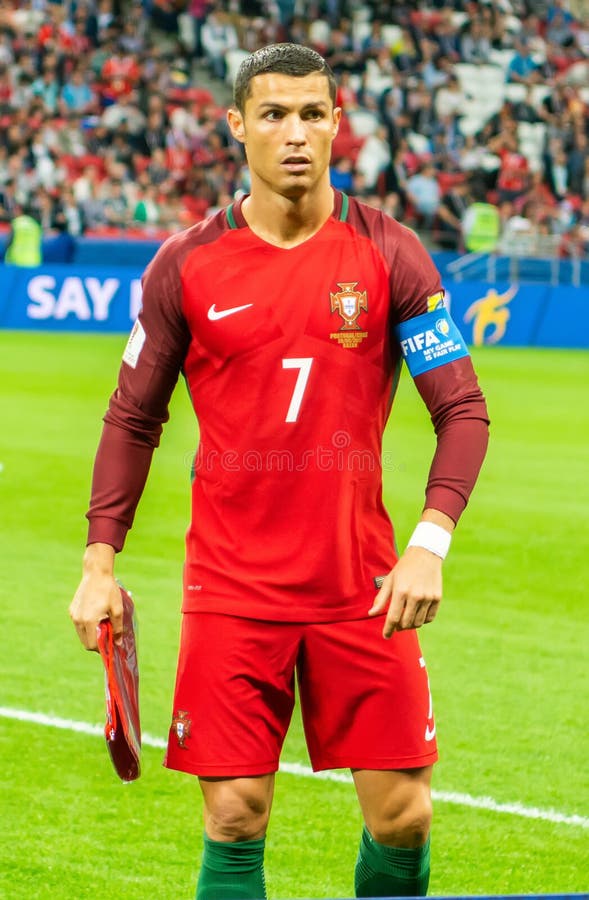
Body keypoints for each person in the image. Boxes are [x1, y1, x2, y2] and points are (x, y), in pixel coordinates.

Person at [69, 43, 489, 899]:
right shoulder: (185, 264)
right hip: (231, 587)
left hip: (360, 583)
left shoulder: (390, 252)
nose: (293, 133)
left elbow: (462, 410)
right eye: (272, 114)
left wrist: (428, 544)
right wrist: (97, 564)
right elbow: (130, 418)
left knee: (403, 818)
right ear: (236, 127)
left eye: (310, 114)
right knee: (233, 817)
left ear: (337, 125)